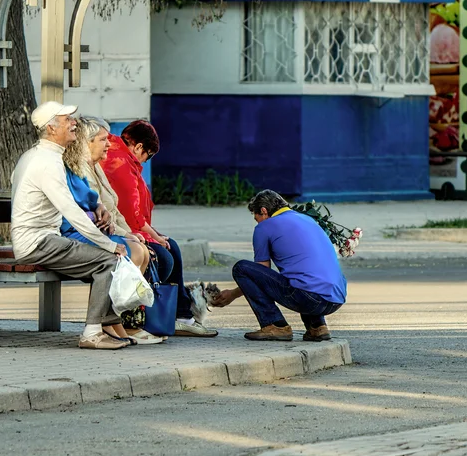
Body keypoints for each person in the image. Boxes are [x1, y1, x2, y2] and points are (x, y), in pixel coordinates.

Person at [10, 100, 129, 350]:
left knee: (104, 262)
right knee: (109, 261)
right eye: (67, 120)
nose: (74, 123)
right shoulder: (48, 162)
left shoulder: (35, 156)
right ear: (52, 128)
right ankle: (92, 333)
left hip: (41, 239)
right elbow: (72, 213)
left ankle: (105, 324)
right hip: (38, 243)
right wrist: (108, 245)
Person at [101, 120, 218, 337]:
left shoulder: (122, 158)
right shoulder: (121, 163)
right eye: (149, 155)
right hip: (116, 231)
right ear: (138, 147)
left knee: (170, 247)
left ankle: (181, 315)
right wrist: (152, 235)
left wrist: (153, 234)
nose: (146, 161)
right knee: (164, 258)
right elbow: (130, 211)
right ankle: (159, 317)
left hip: (123, 228)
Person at [60, 116, 162, 345]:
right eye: (104, 140)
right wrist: (121, 232)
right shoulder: (79, 169)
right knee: (132, 253)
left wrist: (127, 233)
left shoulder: (95, 168)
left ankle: (119, 322)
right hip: (78, 235)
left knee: (142, 250)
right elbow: (80, 210)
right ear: (87, 142)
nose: (109, 144)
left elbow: (111, 209)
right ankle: (114, 322)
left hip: (97, 230)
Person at [212, 190, 347, 342]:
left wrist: (232, 295)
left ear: (264, 211)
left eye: (257, 218)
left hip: (308, 299)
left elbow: (261, 272)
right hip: (337, 298)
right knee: (304, 274)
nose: (257, 223)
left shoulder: (265, 227)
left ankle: (275, 325)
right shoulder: (307, 219)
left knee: (242, 268)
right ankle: (317, 327)